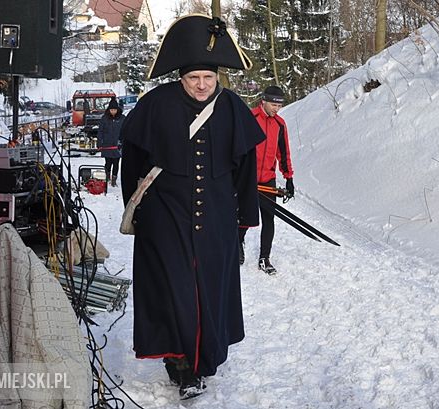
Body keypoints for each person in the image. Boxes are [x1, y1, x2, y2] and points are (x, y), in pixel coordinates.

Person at [119, 14, 265, 400]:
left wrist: (243, 222)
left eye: (208, 78)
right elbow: (132, 162)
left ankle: (204, 360)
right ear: (180, 78)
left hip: (216, 218)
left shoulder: (232, 106)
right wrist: (140, 210)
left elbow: (246, 171)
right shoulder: (154, 105)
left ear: (218, 77)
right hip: (166, 217)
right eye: (193, 79)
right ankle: (183, 367)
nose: (202, 85)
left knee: (208, 292)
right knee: (177, 291)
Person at [238, 85, 294, 275]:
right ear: (263, 101)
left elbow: (284, 152)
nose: (276, 108)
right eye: (273, 104)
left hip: (268, 179)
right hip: (248, 179)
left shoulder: (280, 124)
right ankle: (238, 243)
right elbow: (238, 148)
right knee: (244, 215)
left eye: (279, 105)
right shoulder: (250, 118)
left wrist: (289, 178)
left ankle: (265, 258)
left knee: (269, 219)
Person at [96, 98, 125, 186]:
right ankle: (107, 177)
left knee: (116, 163)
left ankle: (114, 180)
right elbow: (100, 131)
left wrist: (124, 142)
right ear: (109, 110)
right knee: (108, 163)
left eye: (114, 110)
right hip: (107, 145)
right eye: (111, 110)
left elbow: (126, 130)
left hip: (118, 145)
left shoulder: (122, 118)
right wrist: (99, 143)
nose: (113, 111)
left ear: (117, 109)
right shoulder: (104, 118)